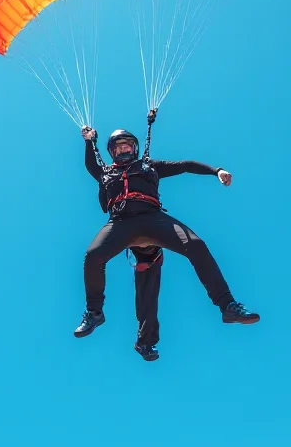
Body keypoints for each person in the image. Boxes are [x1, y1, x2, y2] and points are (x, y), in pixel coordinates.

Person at [75, 117, 259, 357]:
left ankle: (228, 306)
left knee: (195, 244)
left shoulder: (149, 166)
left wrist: (216, 171)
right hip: (120, 224)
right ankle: (94, 313)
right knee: (93, 256)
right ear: (111, 152)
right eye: (117, 147)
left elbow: (184, 165)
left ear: (135, 147)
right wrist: (89, 142)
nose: (123, 149)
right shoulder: (105, 173)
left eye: (127, 145)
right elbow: (91, 165)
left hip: (153, 220)